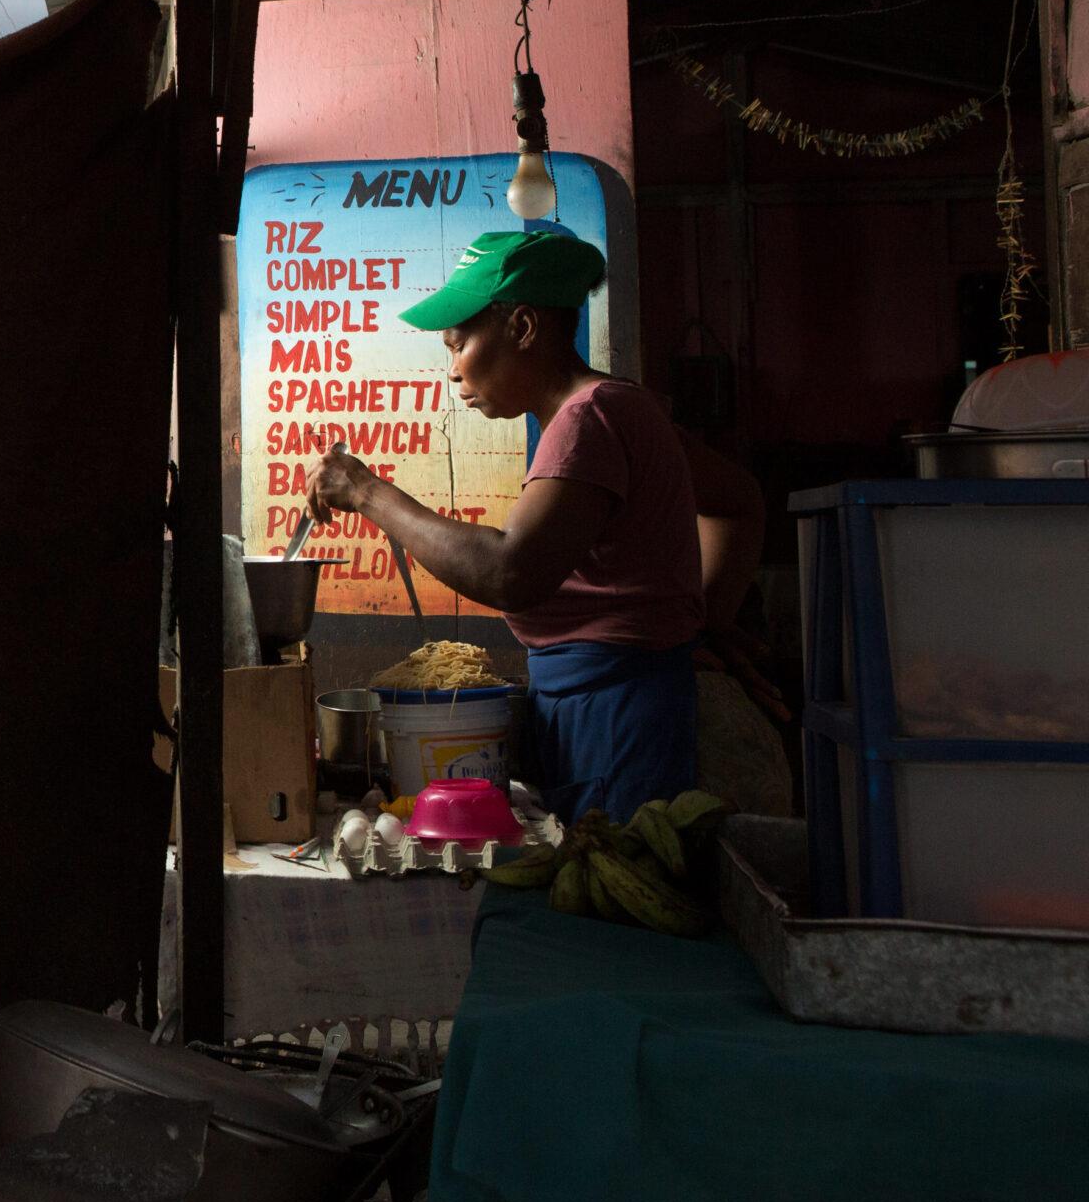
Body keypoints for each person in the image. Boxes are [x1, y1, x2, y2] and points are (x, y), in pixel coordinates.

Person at [306, 230, 765, 822]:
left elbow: (509, 572)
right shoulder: (621, 405)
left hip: (614, 716)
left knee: (615, 887)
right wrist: (698, 622)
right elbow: (740, 501)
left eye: (459, 343)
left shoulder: (589, 419)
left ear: (523, 327)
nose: (453, 371)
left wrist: (368, 492)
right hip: (618, 701)